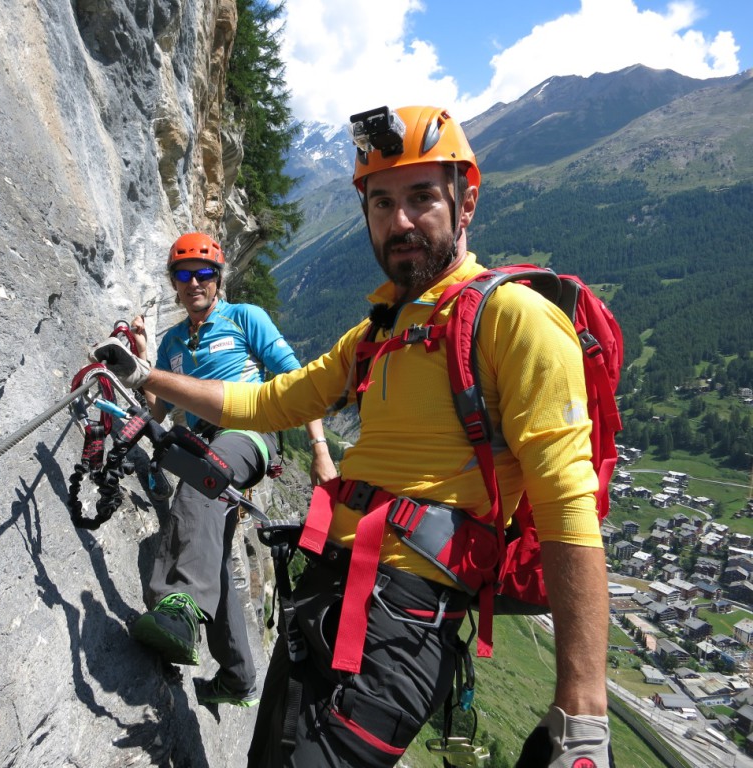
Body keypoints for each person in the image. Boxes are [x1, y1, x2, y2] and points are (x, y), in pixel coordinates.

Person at [93, 107, 611, 767]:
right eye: (382, 202)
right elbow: (272, 399)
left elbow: (569, 500)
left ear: (466, 201)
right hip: (323, 590)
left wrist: (583, 711)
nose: (400, 222)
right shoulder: (378, 333)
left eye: (422, 197)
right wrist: (146, 376)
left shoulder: (516, 319)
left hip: (407, 624)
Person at [125, 232, 336, 709]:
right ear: (174, 283)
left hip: (250, 430)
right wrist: (142, 359)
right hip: (205, 439)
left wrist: (321, 450)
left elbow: (297, 380)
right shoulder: (175, 342)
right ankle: (238, 676)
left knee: (202, 480)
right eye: (184, 274)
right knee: (212, 551)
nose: (195, 282)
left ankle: (177, 609)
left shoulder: (243, 318)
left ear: (217, 279)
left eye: (204, 273)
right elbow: (158, 412)